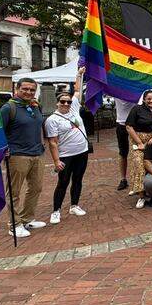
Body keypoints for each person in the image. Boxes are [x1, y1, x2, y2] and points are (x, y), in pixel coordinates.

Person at [1, 77, 46, 238]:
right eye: (25, 89)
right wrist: (4, 149)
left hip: (37, 154)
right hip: (17, 155)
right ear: (17, 89)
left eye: (32, 90)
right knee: (14, 191)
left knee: (36, 188)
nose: (28, 92)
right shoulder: (9, 108)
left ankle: (27, 218)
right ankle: (14, 224)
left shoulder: (35, 106)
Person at [45, 67, 90, 225]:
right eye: (62, 102)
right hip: (66, 155)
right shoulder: (52, 120)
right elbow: (53, 142)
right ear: (57, 103)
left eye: (68, 102)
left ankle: (74, 205)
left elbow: (77, 90)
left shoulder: (74, 108)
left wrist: (79, 74)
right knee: (63, 182)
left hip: (82, 152)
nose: (66, 104)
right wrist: (56, 161)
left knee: (78, 179)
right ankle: (56, 210)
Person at [126, 89, 152, 200]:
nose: (151, 101)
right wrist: (139, 142)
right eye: (149, 99)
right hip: (138, 139)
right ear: (144, 99)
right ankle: (141, 195)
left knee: (150, 164)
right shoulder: (136, 109)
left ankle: (149, 188)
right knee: (139, 163)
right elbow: (129, 126)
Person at [113, 97, 135, 192]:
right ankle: (123, 179)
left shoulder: (135, 88)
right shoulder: (116, 91)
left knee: (137, 152)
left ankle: (137, 178)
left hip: (135, 124)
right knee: (123, 153)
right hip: (121, 124)